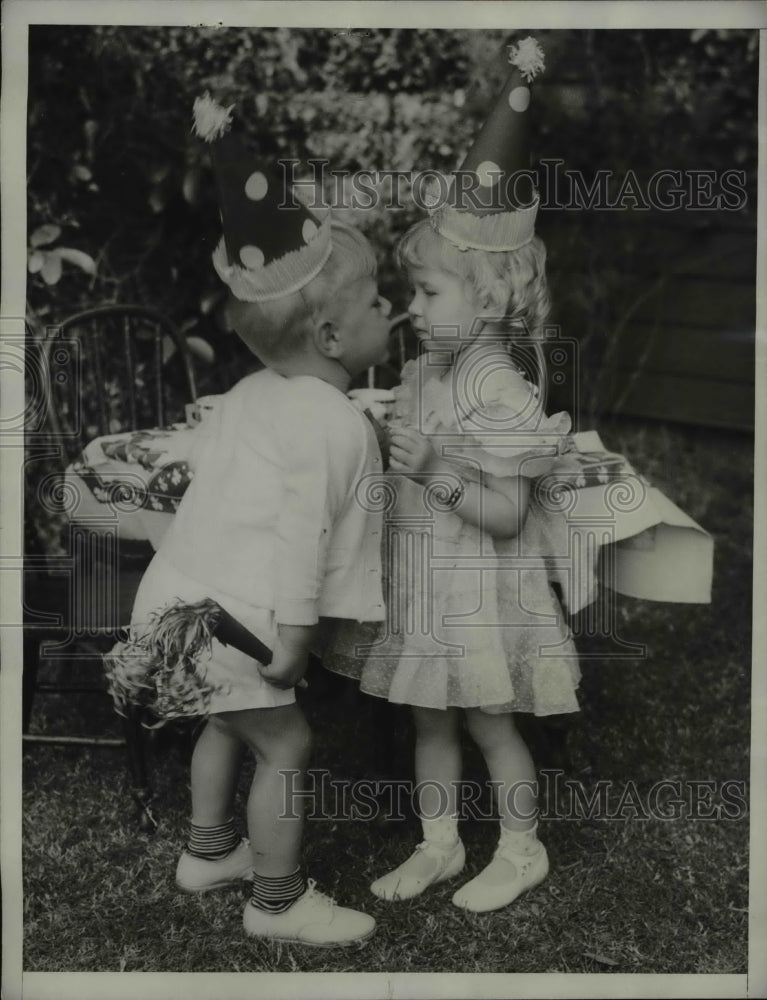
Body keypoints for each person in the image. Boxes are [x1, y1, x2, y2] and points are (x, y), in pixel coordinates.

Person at [113, 94, 392, 946]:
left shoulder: (247, 393)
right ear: (330, 335)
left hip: (175, 601)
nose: (391, 310)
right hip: (238, 621)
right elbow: (305, 534)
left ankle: (209, 852)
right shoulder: (332, 422)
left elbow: (225, 483)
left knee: (224, 720)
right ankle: (277, 902)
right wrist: (297, 636)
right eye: (377, 301)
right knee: (286, 744)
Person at [327, 38, 581, 913]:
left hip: (479, 592)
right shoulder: (427, 371)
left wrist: (434, 468)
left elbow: (506, 514)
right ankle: (439, 844)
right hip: (425, 584)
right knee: (426, 717)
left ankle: (520, 848)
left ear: (492, 296)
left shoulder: (499, 390)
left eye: (428, 293)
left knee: (487, 720)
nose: (411, 309)